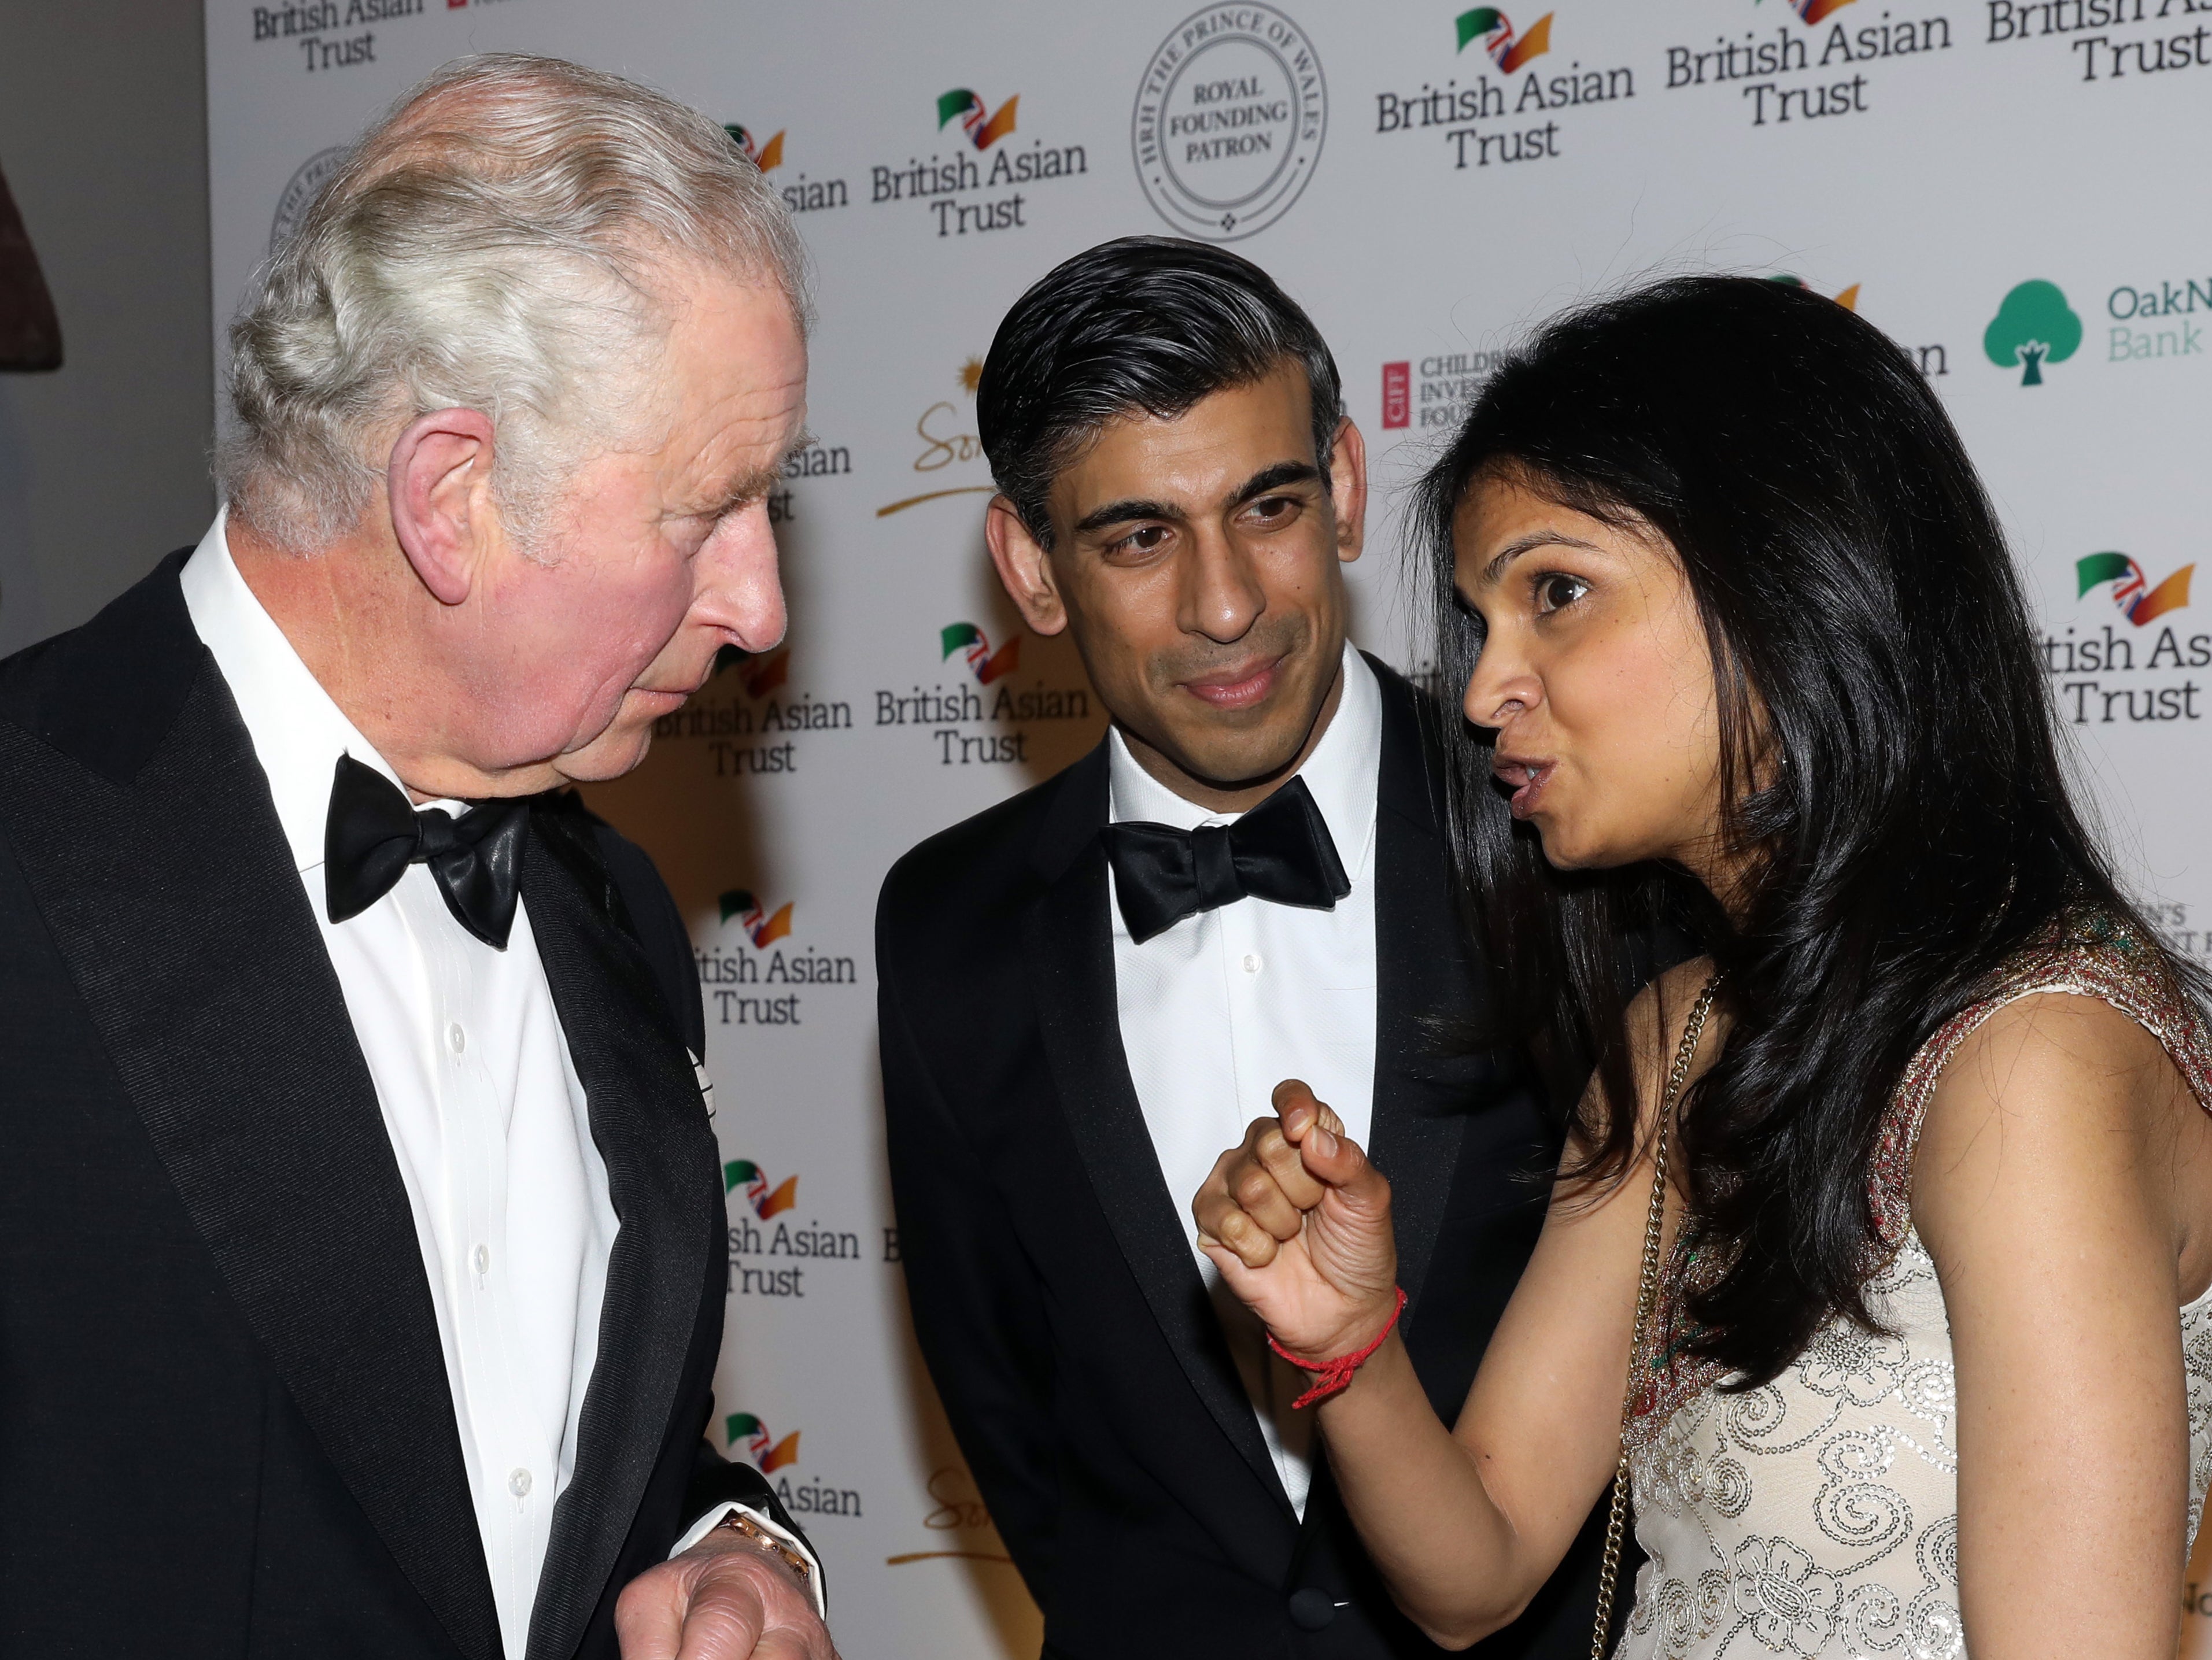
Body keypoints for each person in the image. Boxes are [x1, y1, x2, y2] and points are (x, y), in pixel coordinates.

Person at [1196, 273, 2212, 1658]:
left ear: (1787, 575)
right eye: (1480, 619)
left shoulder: (2029, 1050)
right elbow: (1477, 1563)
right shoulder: (1672, 1032)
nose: (1487, 684)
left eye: (1556, 592)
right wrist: (1346, 1345)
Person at [0, 55, 836, 1660]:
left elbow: (556, 1477)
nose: (759, 607)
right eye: (707, 511)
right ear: (450, 497)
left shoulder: (621, 916)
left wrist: (740, 1549)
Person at [877, 236, 1608, 1659]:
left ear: (1340, 487)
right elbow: (1007, 1411)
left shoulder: (1566, 837)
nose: (1224, 606)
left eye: (1265, 505)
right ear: (1030, 565)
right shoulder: (948, 921)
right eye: (1138, 536)